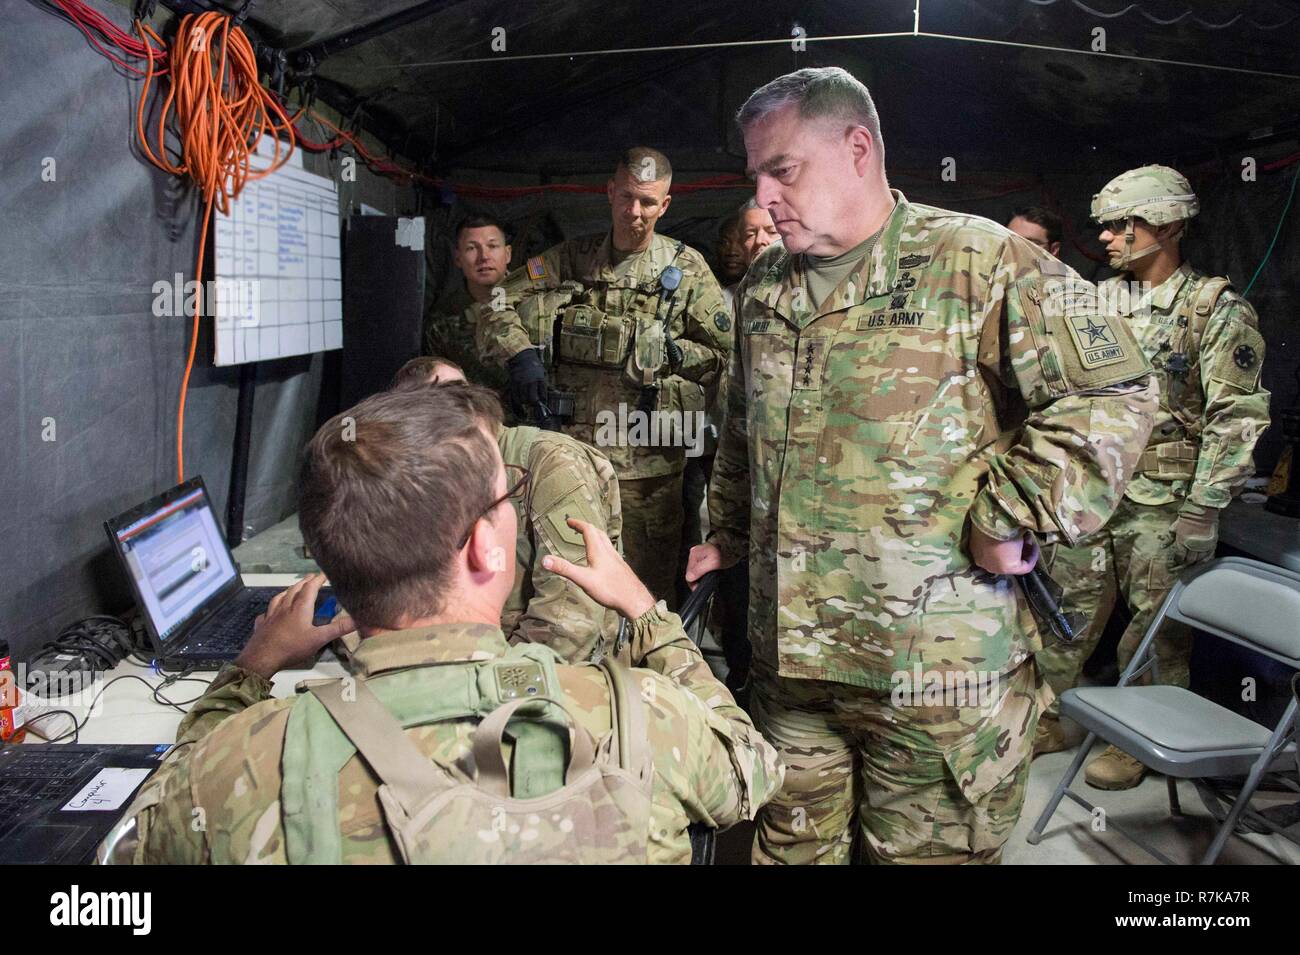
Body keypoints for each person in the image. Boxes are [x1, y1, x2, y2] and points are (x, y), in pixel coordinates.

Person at [687, 66, 1158, 864]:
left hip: (935, 678)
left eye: (783, 170)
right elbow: (741, 427)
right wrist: (726, 534)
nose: (763, 197)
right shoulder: (764, 286)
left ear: (858, 148)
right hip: (791, 669)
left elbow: (1117, 389)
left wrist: (1012, 509)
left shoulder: (981, 261)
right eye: (756, 176)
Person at [100, 384, 782, 864]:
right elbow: (753, 764)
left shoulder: (239, 764)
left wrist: (248, 672)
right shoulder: (642, 714)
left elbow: (126, 848)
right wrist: (644, 610)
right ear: (486, 545)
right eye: (507, 496)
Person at [1036, 166, 1270, 787]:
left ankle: (1137, 737)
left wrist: (1204, 507)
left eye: (1121, 225)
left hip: (1163, 499)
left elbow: (1236, 414)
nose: (1107, 239)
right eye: (1106, 226)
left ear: (1165, 225)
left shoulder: (1213, 311)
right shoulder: (1096, 301)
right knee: (1065, 612)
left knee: (1154, 628)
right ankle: (1046, 717)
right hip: (1091, 491)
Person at [477, 147, 731, 608]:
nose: (635, 212)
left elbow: (723, 357)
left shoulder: (688, 270)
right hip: (572, 458)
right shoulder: (572, 258)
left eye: (648, 202)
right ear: (610, 192)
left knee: (646, 592)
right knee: (569, 582)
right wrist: (520, 356)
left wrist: (672, 353)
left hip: (648, 468)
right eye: (627, 197)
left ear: (665, 205)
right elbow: (497, 301)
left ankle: (649, 676)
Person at [392, 356, 623, 663]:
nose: (455, 408)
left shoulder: (549, 461)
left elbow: (572, 618)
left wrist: (495, 681)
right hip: (471, 651)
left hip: (552, 672)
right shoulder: (432, 467)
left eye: (459, 393)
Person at [425, 214, 514, 398]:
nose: (484, 257)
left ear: (507, 254)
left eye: (492, 246)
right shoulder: (442, 322)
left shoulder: (538, 303)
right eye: (472, 248)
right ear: (458, 258)